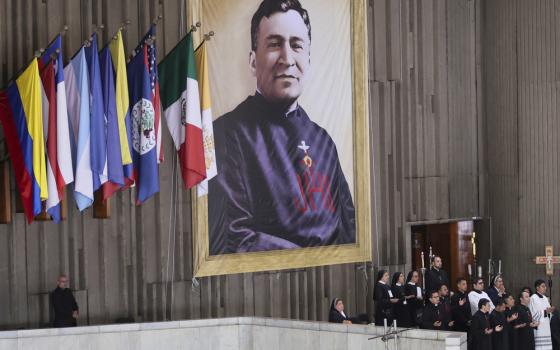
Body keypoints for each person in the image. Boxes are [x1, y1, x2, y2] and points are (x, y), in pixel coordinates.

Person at [208, 0, 356, 254]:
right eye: (275, 44)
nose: (287, 59)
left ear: (308, 59)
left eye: (296, 45)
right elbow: (235, 237)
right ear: (253, 61)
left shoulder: (322, 140)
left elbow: (348, 227)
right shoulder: (226, 134)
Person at [530, 279, 555, 349]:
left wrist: (550, 311)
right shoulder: (533, 298)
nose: (545, 288)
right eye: (543, 286)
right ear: (537, 288)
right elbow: (533, 314)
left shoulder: (545, 298)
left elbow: (548, 311)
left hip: (546, 326)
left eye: (545, 286)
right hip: (539, 326)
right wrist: (545, 312)